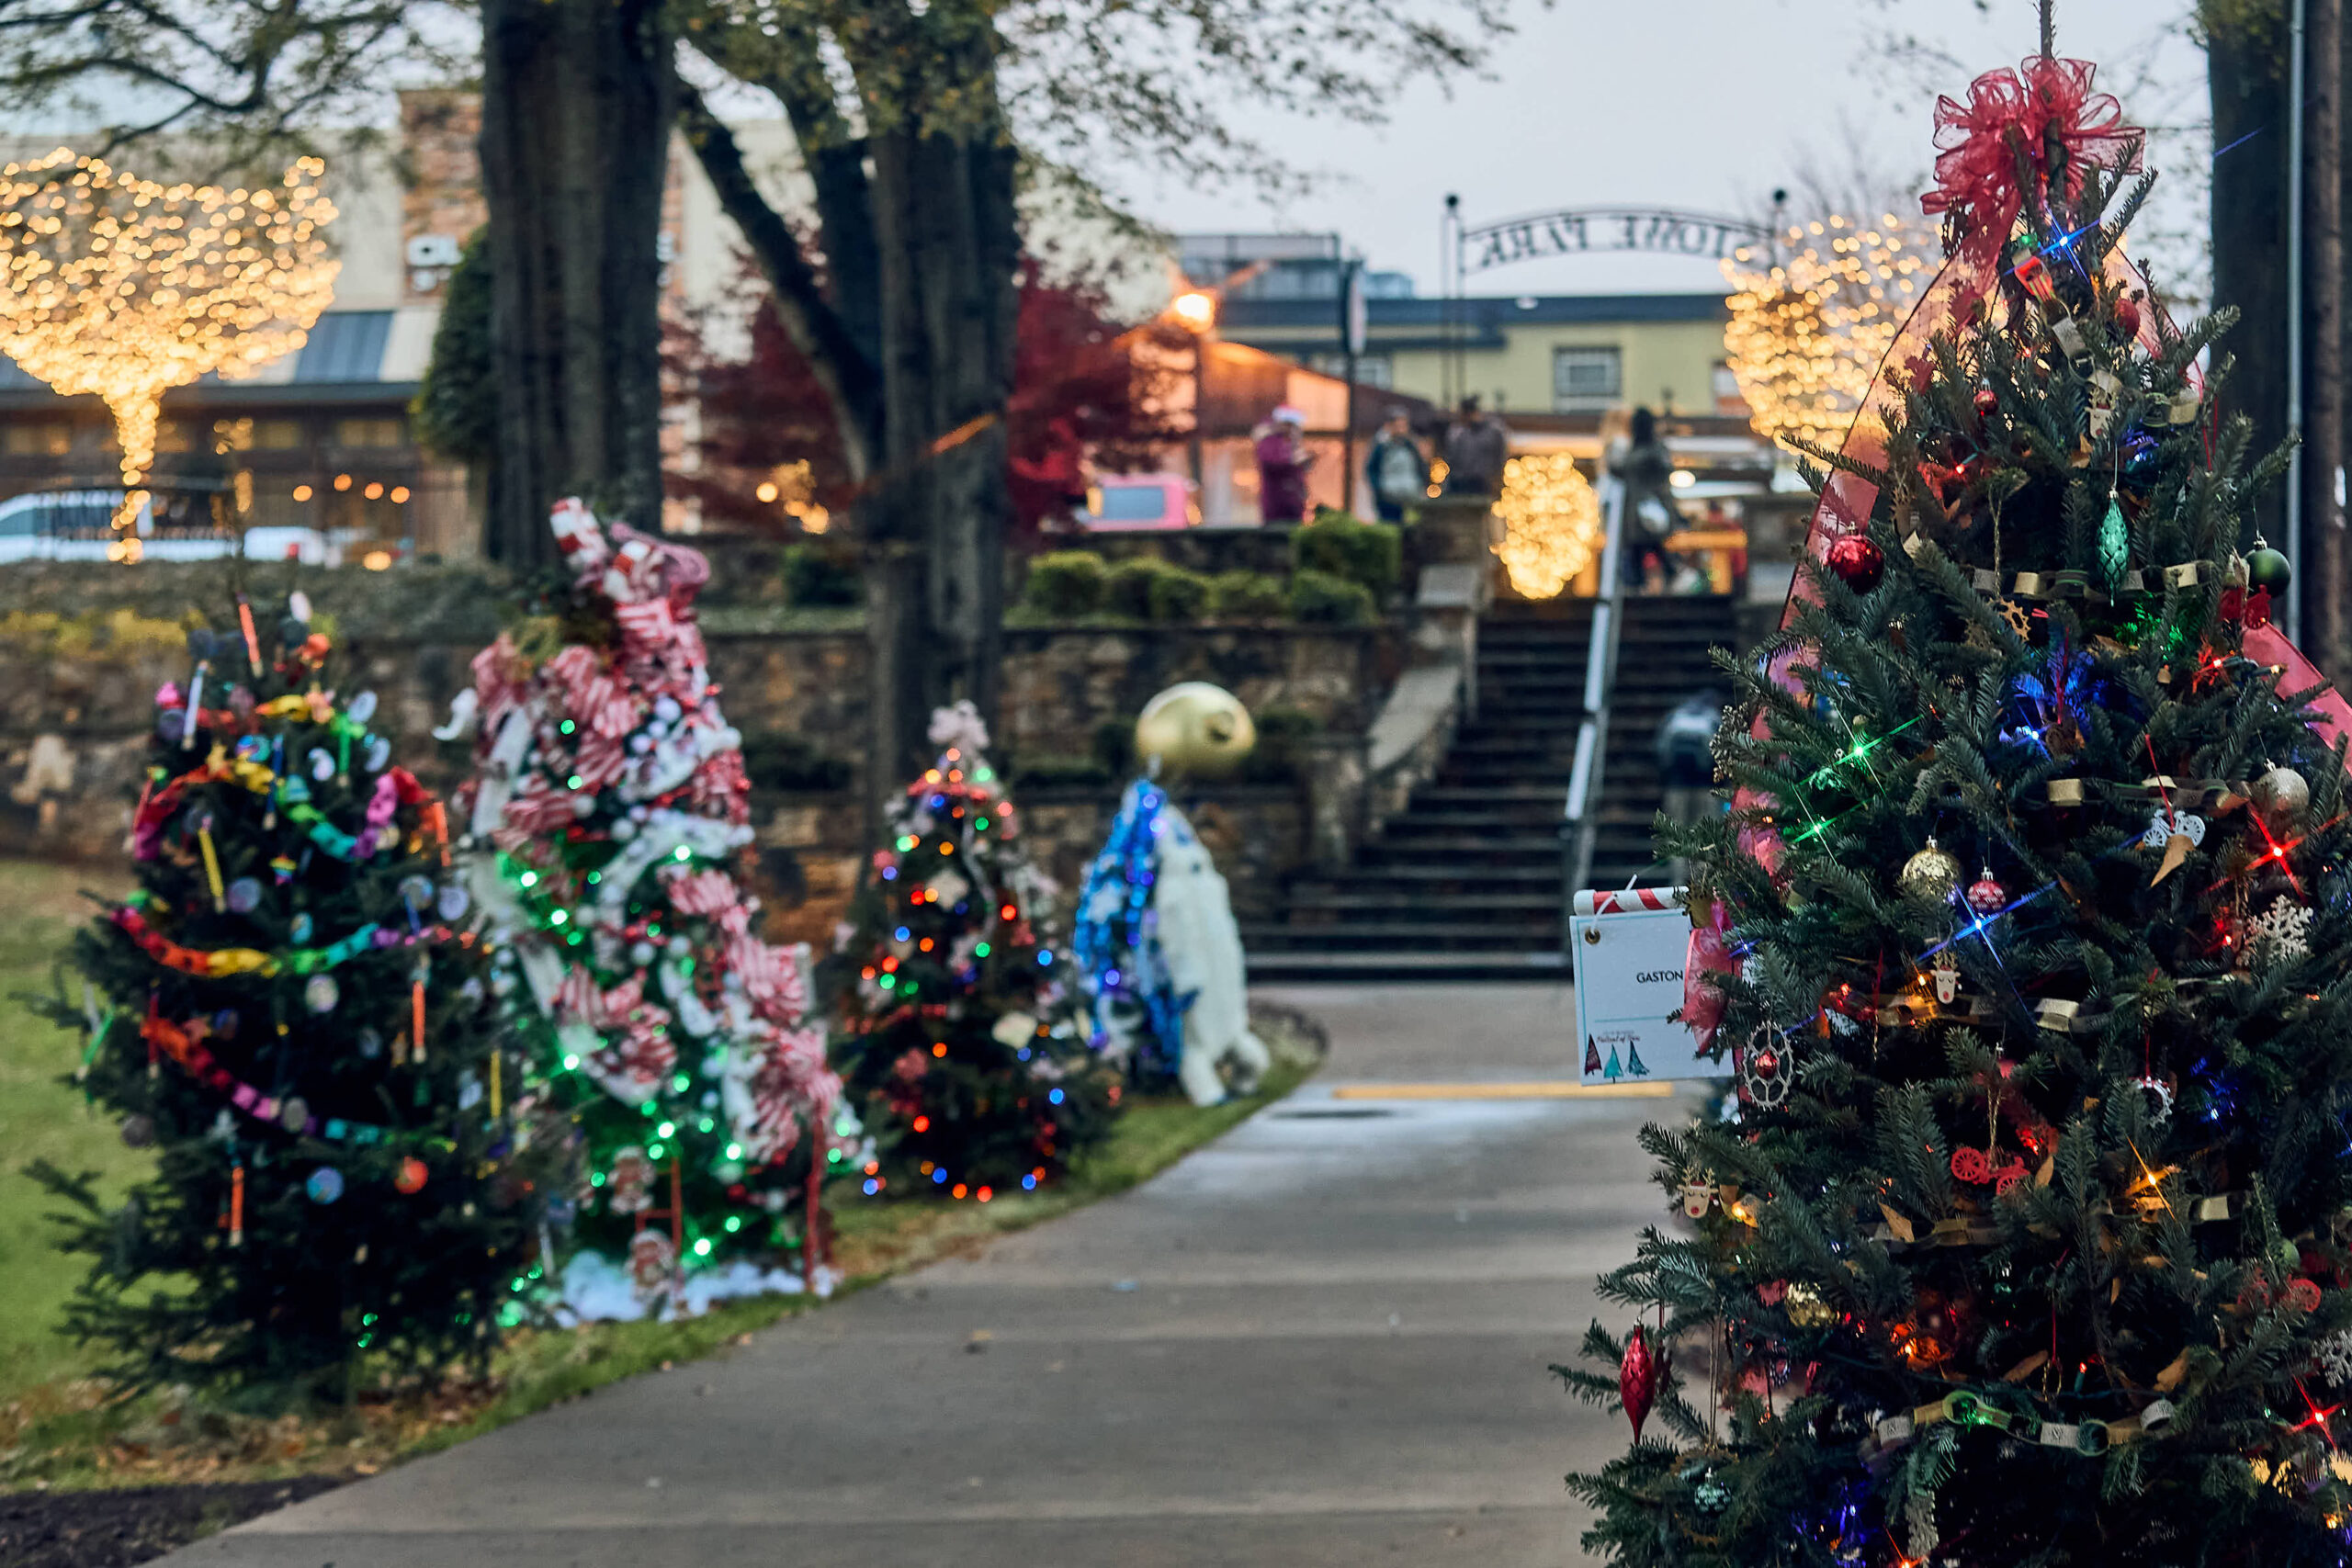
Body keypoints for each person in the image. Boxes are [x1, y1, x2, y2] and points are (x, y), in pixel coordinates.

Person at [1654, 688, 1724, 886]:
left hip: (1677, 787)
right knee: (1705, 836)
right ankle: (1702, 884)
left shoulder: (1676, 717)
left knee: (1676, 836)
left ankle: (1676, 884)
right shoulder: (1712, 718)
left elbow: (1660, 751)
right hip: (1705, 788)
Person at [1612, 405, 1677, 592]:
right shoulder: (1654, 450)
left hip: (1642, 511)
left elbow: (1620, 469)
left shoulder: (1638, 452)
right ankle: (1661, 580)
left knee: (1642, 550)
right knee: (1649, 549)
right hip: (1649, 511)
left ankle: (1639, 585)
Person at [1363, 409, 1428, 523]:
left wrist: (1421, 486)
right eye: (1398, 425)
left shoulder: (1411, 445)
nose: (1401, 429)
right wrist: (1379, 489)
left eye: (1404, 425)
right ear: (1389, 426)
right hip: (1388, 498)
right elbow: (1371, 469)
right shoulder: (1381, 446)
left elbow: (1421, 466)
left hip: (1410, 497)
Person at [1253, 404, 1314, 525]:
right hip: (1278, 505)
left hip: (1292, 504)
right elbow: (1273, 463)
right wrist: (1294, 461)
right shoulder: (1269, 441)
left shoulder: (1290, 442)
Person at [1441, 395, 1509, 496]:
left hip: (1481, 482)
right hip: (1461, 482)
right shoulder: (1458, 432)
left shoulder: (1491, 432)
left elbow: (1499, 457)